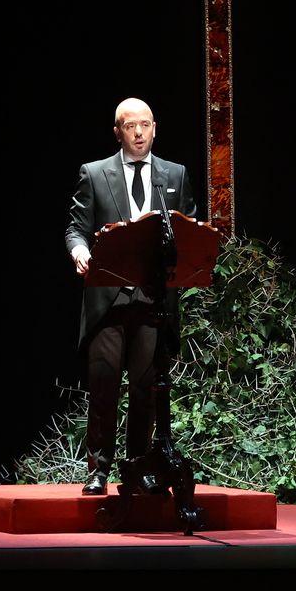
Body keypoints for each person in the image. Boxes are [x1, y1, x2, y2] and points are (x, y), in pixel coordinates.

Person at [65, 97, 197, 495]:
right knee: (104, 385)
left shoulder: (173, 174)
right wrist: (79, 251)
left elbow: (189, 227)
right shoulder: (94, 173)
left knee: (146, 389)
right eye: (129, 126)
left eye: (144, 125)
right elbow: (76, 228)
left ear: (155, 127)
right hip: (108, 296)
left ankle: (137, 467)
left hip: (153, 299)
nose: (138, 133)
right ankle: (98, 469)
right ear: (117, 131)